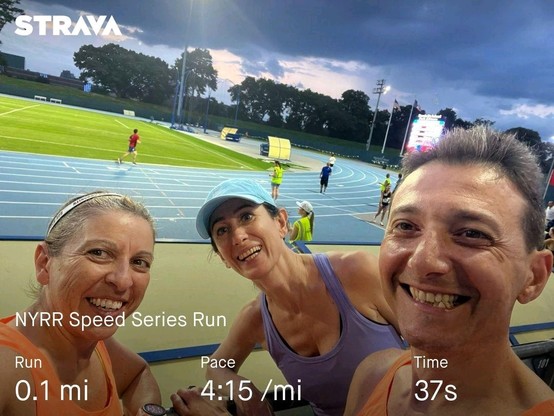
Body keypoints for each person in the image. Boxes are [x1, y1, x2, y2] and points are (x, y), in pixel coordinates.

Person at [345, 126, 554, 415]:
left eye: (472, 233)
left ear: (534, 277)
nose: (423, 261)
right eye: (405, 226)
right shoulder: (372, 375)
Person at [194, 178, 403, 416]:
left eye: (246, 217)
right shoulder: (256, 319)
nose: (238, 236)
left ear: (281, 222)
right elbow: (216, 366)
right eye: (222, 230)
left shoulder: (356, 272)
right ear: (222, 257)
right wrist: (243, 389)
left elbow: (436, 348)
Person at [0, 191, 161, 415]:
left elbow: (139, 374)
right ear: (44, 264)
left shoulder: (94, 343)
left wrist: (148, 410)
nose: (123, 280)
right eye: (99, 253)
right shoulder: (7, 366)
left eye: (139, 262)